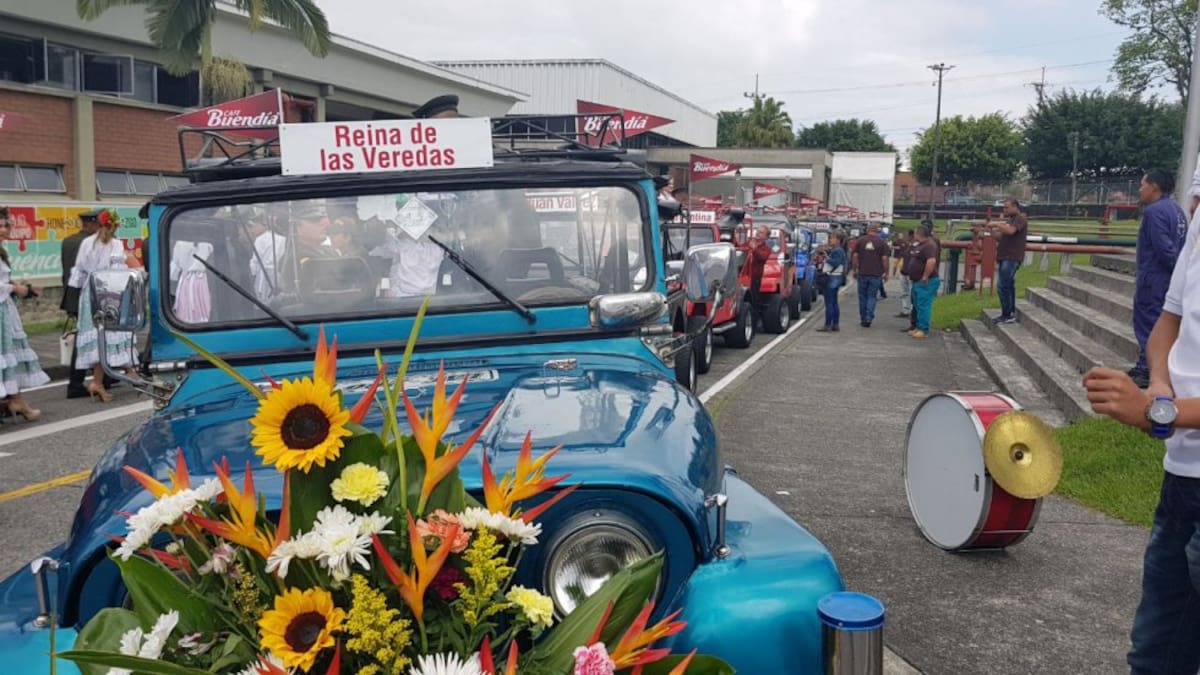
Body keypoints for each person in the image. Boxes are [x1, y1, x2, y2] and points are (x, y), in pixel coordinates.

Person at [1082, 202, 1200, 675]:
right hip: (1182, 483)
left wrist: (1158, 413)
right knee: (1155, 656)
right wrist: (1160, 384)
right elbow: (1169, 321)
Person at [67, 208, 136, 403]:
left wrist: (78, 293)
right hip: (107, 291)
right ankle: (100, 381)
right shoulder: (115, 244)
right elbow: (118, 270)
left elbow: (78, 272)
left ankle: (107, 378)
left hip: (89, 292)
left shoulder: (87, 243)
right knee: (108, 335)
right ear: (115, 226)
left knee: (98, 337)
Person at [1128, 169, 1189, 389]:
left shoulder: (1154, 212)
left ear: (1154, 186)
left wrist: (1176, 272)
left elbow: (1165, 249)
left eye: (1143, 184)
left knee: (1147, 323)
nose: (1140, 189)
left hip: (1155, 279)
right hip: (1166, 279)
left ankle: (1147, 368)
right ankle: (1147, 365)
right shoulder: (1178, 211)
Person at [0, 208, 48, 421]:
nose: (3, 229)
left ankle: (16, 401)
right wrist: (15, 289)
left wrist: (23, 288)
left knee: (8, 355)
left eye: (5, 225)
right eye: (0, 225)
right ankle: (17, 402)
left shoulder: (2, 251)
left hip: (5, 308)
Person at [62, 210, 100, 399]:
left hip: (72, 294)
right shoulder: (90, 243)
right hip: (87, 294)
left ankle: (100, 377)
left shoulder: (68, 241)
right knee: (89, 336)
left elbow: (67, 272)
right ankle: (77, 383)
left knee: (85, 336)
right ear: (92, 224)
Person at [986, 198, 1029, 324]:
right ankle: (1010, 312)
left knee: (1002, 286)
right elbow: (1001, 237)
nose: (1004, 210)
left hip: (1012, 257)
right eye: (1004, 208)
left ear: (1015, 206)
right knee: (1008, 285)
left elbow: (1010, 231)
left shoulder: (1020, 218)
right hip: (1005, 257)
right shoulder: (1010, 220)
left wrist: (997, 224)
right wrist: (990, 231)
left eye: (1007, 207)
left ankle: (1006, 314)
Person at [851, 222, 888, 327]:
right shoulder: (882, 242)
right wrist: (886, 272)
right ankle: (869, 316)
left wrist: (854, 270)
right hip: (876, 274)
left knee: (862, 296)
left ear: (867, 230)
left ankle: (863, 317)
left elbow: (855, 257)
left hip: (862, 272)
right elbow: (884, 259)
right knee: (872, 296)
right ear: (877, 231)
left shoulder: (860, 241)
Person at [907, 223, 940, 339]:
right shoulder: (921, 245)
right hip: (917, 281)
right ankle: (918, 326)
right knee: (917, 304)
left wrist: (925, 276)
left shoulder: (929, 245)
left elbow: (931, 261)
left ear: (918, 233)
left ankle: (923, 329)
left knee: (923, 305)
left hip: (926, 281)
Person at [736, 225, 772, 324]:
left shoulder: (766, 249)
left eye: (761, 232)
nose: (757, 234)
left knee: (754, 300)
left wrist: (754, 248)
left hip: (754, 278)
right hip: (742, 275)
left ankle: (753, 321)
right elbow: (739, 249)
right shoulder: (748, 243)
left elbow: (762, 257)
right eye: (757, 231)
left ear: (766, 237)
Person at [816, 232, 847, 333]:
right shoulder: (838, 250)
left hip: (832, 277)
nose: (830, 240)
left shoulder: (838, 250)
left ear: (838, 240)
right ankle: (835, 324)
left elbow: (835, 262)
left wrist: (826, 256)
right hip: (836, 277)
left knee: (829, 302)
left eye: (832, 238)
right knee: (834, 302)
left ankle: (828, 324)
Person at [895, 229, 915, 321]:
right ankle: (905, 310)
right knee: (904, 293)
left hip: (911, 274)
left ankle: (911, 311)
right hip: (904, 272)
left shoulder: (917, 247)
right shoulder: (907, 246)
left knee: (911, 293)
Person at [962, 223, 984, 291]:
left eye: (977, 226)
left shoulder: (984, 234)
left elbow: (988, 235)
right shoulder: (978, 236)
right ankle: (969, 282)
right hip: (976, 253)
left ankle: (969, 282)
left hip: (980, 254)